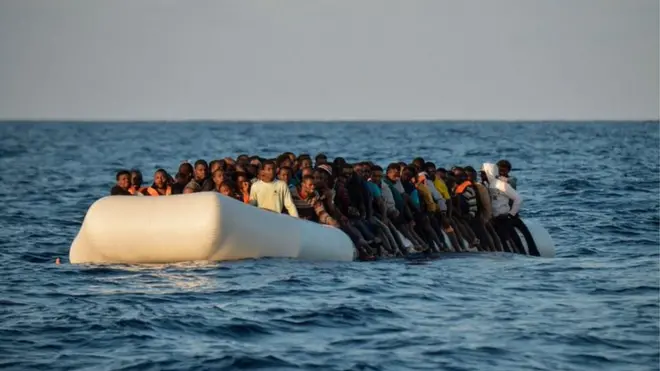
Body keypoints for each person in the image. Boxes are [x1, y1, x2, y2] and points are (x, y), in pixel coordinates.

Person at [481, 162, 525, 253]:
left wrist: (511, 214)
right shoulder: (486, 185)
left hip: (503, 218)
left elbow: (519, 199)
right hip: (493, 218)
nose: (481, 175)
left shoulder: (502, 184)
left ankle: (518, 254)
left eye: (483, 173)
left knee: (509, 239)